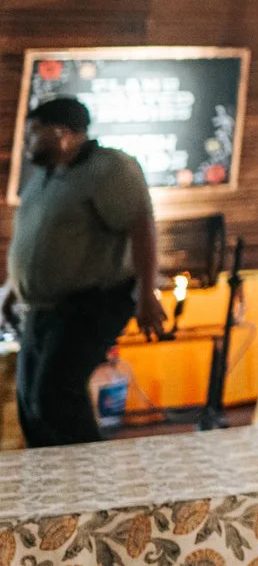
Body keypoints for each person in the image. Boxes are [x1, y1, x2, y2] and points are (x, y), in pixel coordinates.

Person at [0, 97, 165, 445]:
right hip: (43, 308)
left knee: (56, 396)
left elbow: (141, 226)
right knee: (30, 400)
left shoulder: (108, 169)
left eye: (34, 134)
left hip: (90, 304)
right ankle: (50, 487)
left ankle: (88, 486)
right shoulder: (45, 174)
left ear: (62, 134)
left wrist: (147, 295)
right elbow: (37, 241)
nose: (27, 142)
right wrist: (14, 290)